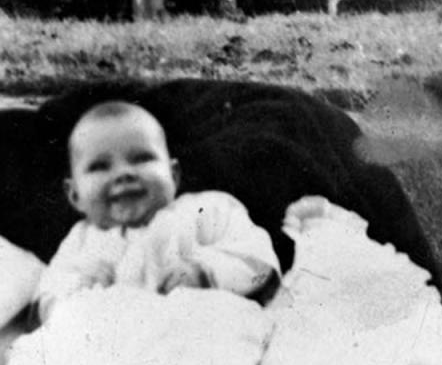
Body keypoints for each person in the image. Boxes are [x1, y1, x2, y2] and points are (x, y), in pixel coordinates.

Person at [34, 100, 281, 323]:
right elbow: (45, 300)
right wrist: (76, 290)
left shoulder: (205, 211)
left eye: (141, 158)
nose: (123, 174)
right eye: (100, 166)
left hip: (197, 334)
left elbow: (258, 262)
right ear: (74, 194)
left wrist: (206, 272)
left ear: (173, 176)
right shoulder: (80, 241)